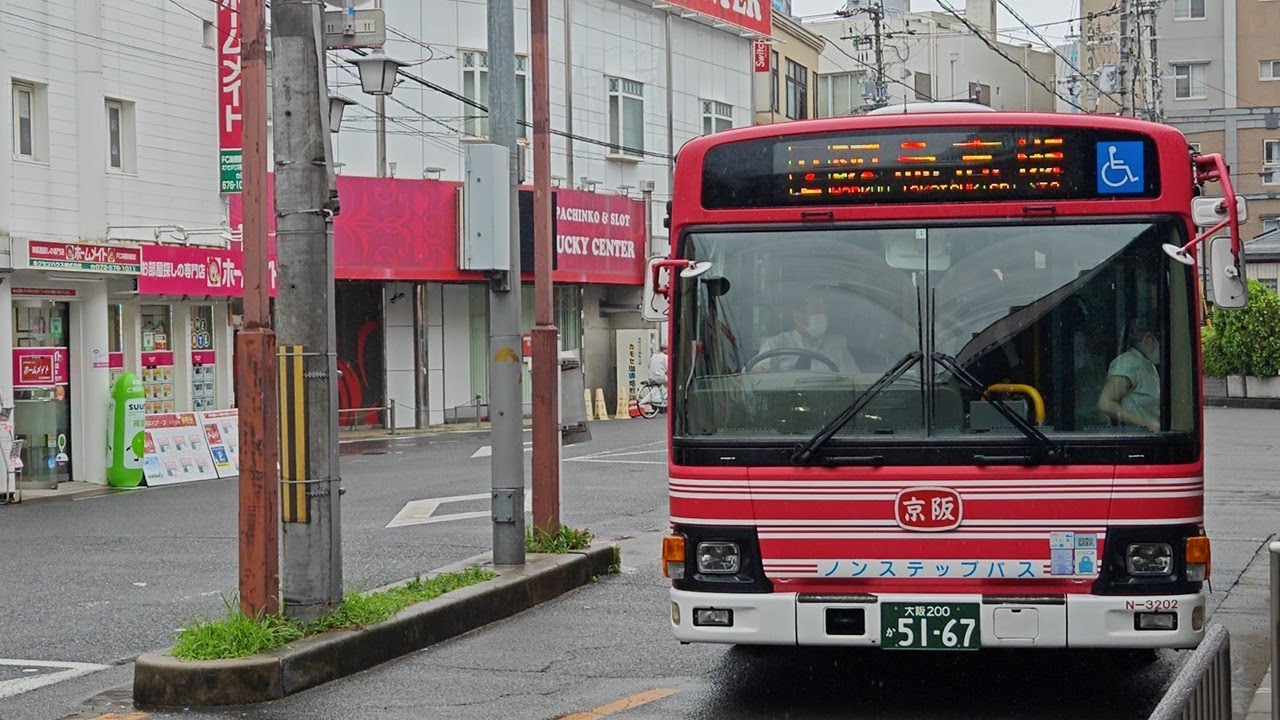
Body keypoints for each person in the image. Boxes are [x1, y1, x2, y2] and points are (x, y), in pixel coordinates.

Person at [755, 294, 859, 373]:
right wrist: (760, 370)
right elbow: (758, 376)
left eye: (824, 313)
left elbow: (854, 382)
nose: (823, 317)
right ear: (797, 317)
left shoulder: (838, 347)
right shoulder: (775, 345)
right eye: (816, 312)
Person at [1096, 317, 1161, 432]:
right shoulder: (1128, 364)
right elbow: (1105, 403)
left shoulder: (1148, 364)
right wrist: (1147, 424)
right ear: (1148, 339)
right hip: (1136, 435)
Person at [648, 343, 669, 408]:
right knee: (670, 383)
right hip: (660, 378)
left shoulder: (653, 356)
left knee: (658, 387)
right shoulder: (665, 357)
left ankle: (658, 399)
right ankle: (664, 400)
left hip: (651, 377)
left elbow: (648, 365)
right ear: (665, 350)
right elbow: (668, 369)